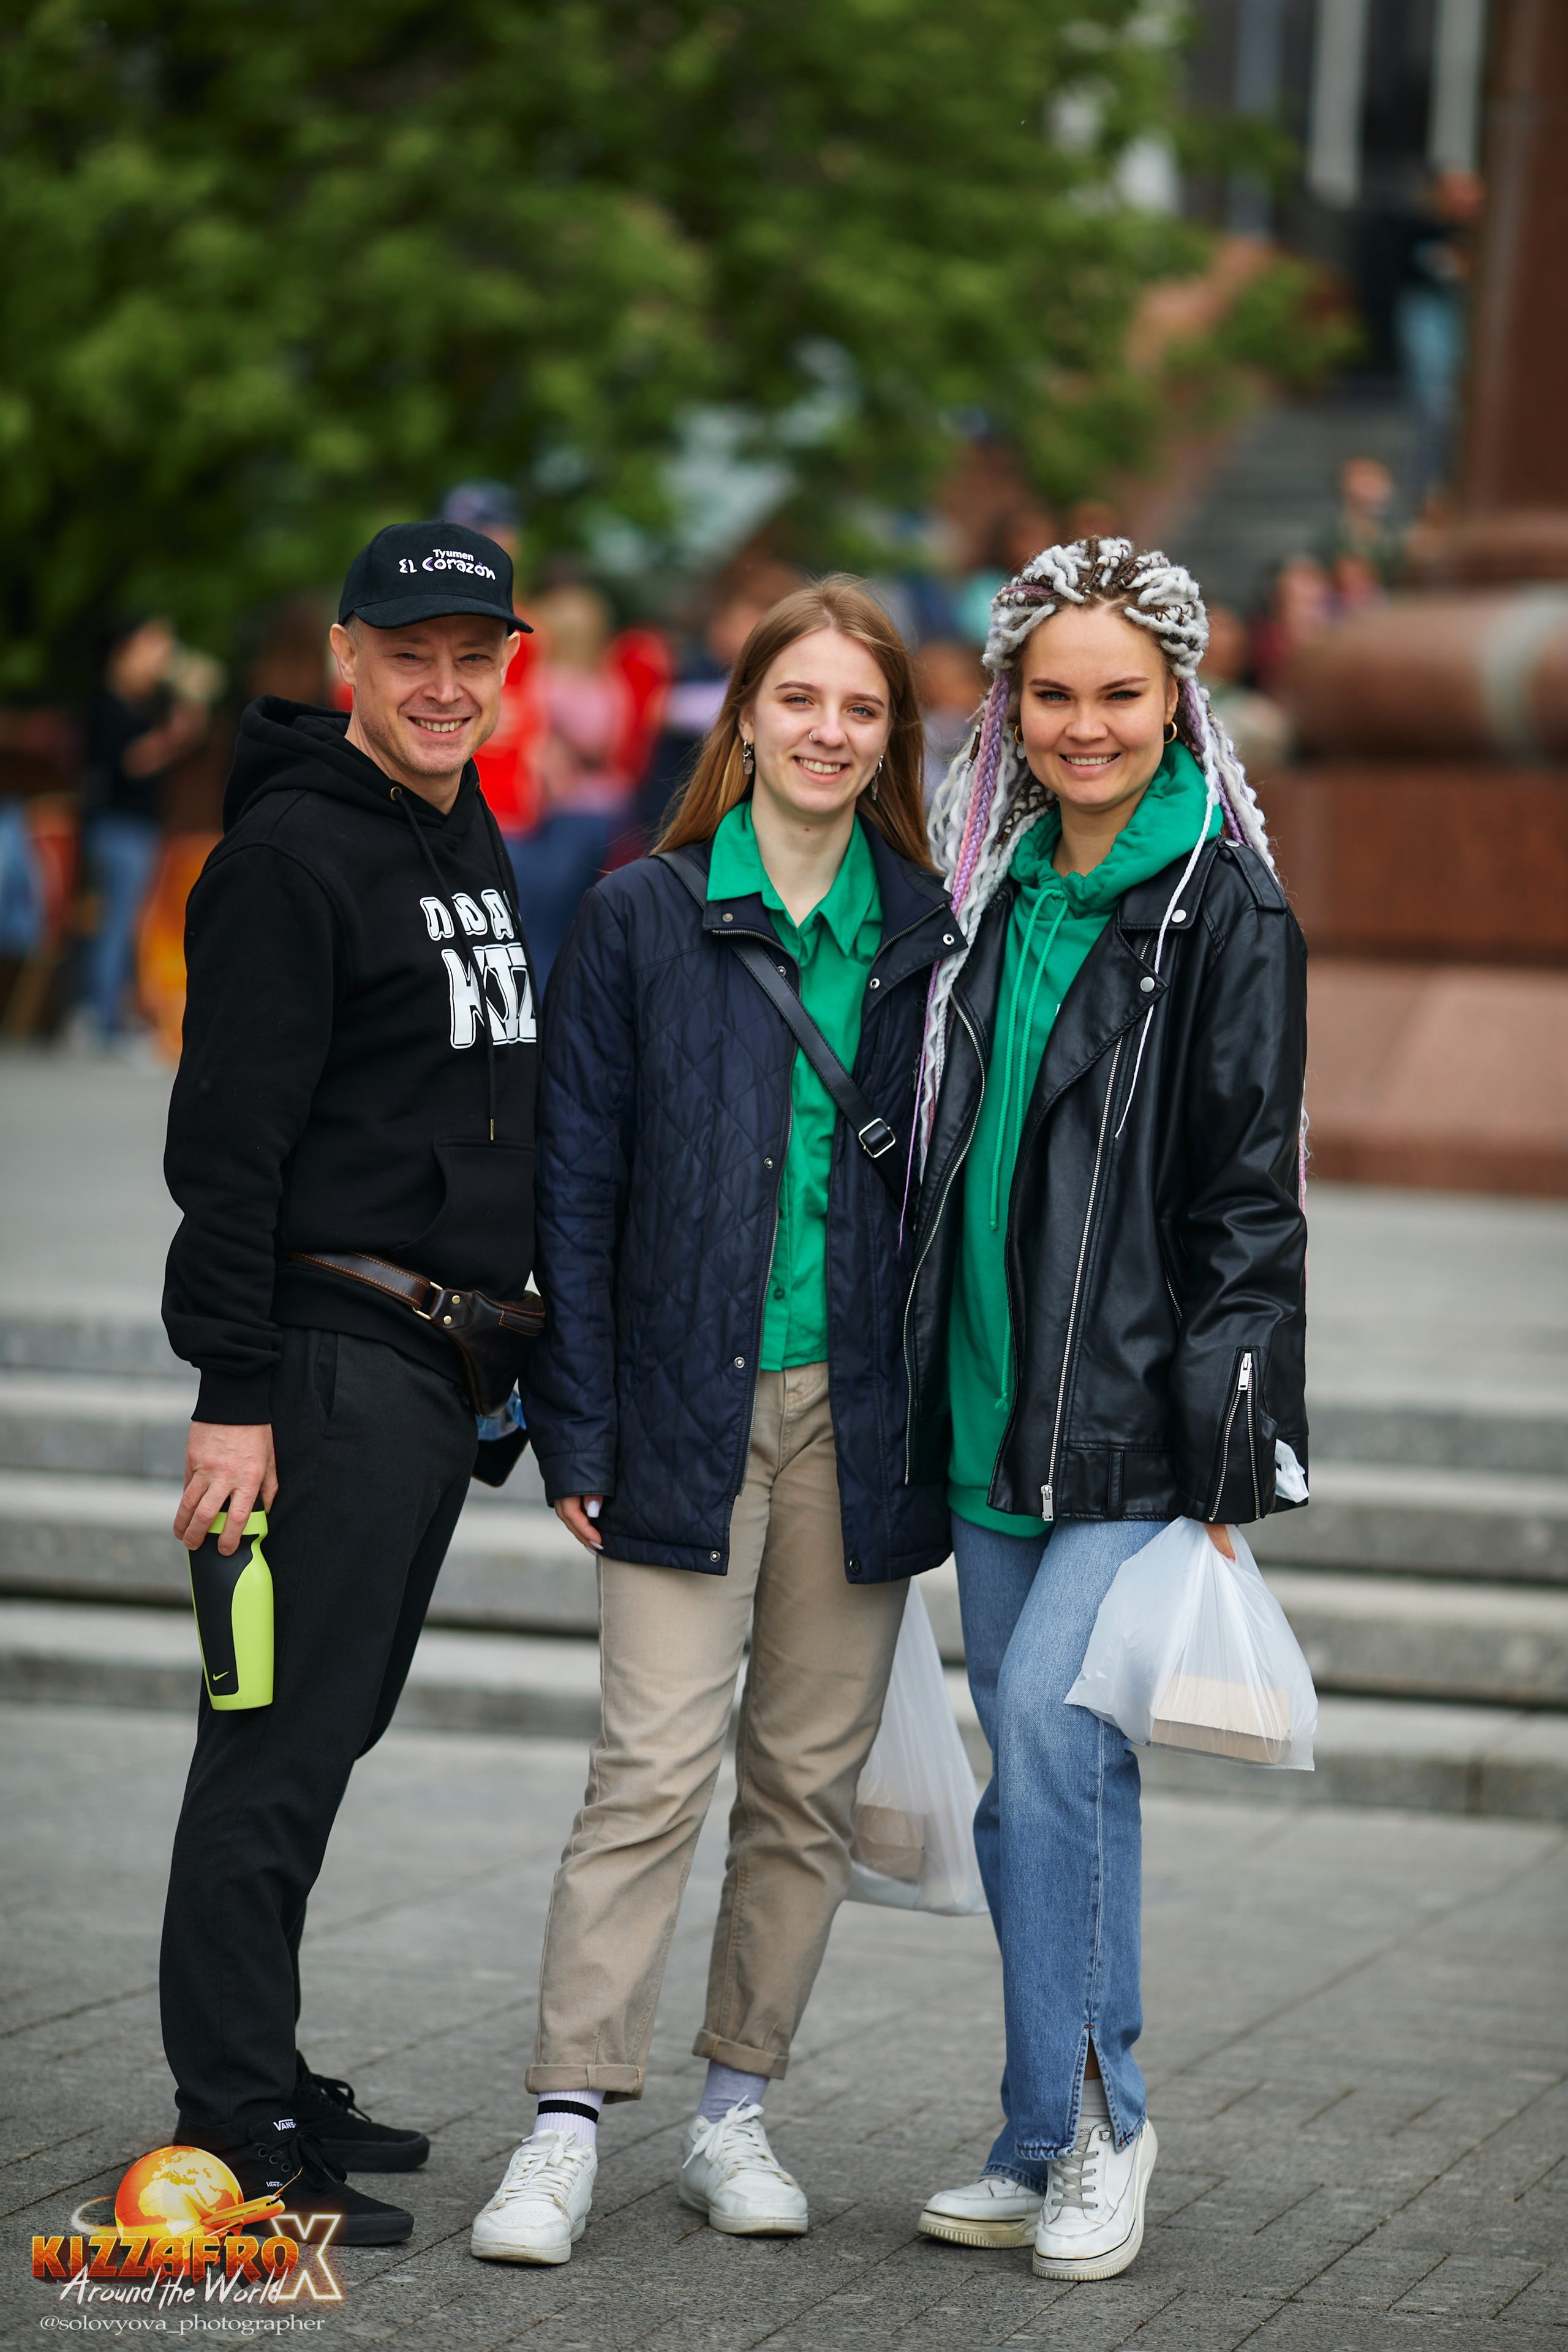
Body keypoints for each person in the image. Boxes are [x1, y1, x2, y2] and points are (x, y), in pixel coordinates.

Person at [469, 579, 960, 2266]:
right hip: (679, 1406)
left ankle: (733, 2111)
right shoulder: (639, 915)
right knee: (651, 1768)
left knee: (804, 1786)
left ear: (893, 738)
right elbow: (574, 1183)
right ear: (741, 716)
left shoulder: (926, 933)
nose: (831, 731)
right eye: (801, 699)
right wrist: (575, 1426)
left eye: (865, 709)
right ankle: (563, 2124)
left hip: (867, 1419)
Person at [905, 538, 1308, 2281]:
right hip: (991, 1410)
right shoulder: (988, 885)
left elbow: (1248, 1201)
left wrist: (1230, 1441)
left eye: (1119, 698)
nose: (1084, 727)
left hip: (1136, 1420)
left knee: (1065, 1743)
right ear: (1015, 701)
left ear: (1178, 705)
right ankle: (1028, 2123)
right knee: (1020, 1785)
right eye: (1053, 695)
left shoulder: (1226, 906)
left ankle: (1102, 2122)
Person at [159, 521, 537, 2245]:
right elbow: (225, 1153)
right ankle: (231, 2131)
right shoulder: (288, 863)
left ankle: (270, 2064)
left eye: (474, 655)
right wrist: (232, 1394)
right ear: (347, 660)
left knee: (332, 1733)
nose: (445, 685)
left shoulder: (468, 835)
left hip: (431, 1363)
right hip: (317, 1367)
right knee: (272, 1749)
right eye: (412, 656)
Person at [74, 617, 209, 1046]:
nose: (160, 656)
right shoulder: (106, 705)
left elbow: (188, 738)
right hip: (117, 828)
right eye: (152, 645)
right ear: (126, 650)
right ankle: (101, 1019)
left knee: (129, 923)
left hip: (141, 828)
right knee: (118, 922)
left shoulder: (147, 704)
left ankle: (110, 1015)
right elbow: (130, 763)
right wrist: (171, 738)